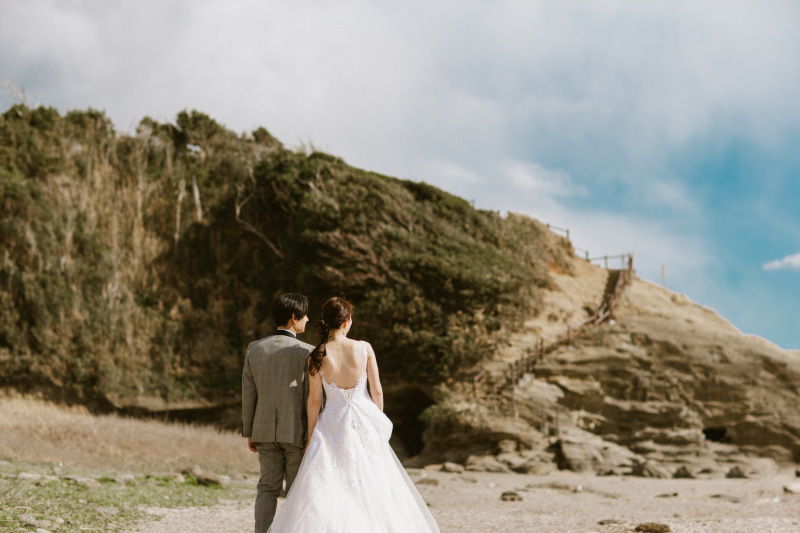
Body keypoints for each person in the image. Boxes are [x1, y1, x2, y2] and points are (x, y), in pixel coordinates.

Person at [267, 297, 440, 532]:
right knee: (375, 482)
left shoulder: (316, 355)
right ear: (347, 322)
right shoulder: (364, 348)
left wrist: (310, 437)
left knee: (329, 482)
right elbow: (377, 391)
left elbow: (314, 401)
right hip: (365, 420)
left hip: (331, 424)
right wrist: (377, 424)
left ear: (327, 322)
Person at [242, 293, 314, 533]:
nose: (307, 319)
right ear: (294, 318)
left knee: (267, 488)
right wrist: (313, 432)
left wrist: (249, 430)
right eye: (304, 316)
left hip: (263, 430)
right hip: (297, 431)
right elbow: (311, 397)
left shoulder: (255, 348)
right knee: (295, 490)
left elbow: (249, 393)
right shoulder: (307, 351)